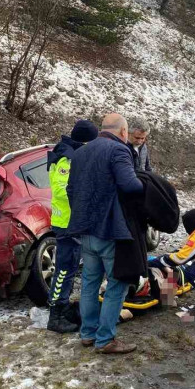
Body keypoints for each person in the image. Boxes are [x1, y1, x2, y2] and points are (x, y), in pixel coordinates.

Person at [67, 112, 144, 354]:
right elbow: (130, 185)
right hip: (110, 230)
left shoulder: (79, 152)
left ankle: (88, 334)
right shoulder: (118, 150)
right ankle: (105, 339)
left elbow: (71, 190)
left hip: (85, 230)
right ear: (123, 132)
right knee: (117, 283)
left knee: (90, 283)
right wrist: (147, 183)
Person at [45, 120, 98, 333]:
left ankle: (64, 308)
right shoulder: (66, 158)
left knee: (70, 268)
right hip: (67, 222)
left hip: (72, 222)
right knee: (64, 270)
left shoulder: (71, 154)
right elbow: (61, 190)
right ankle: (56, 315)